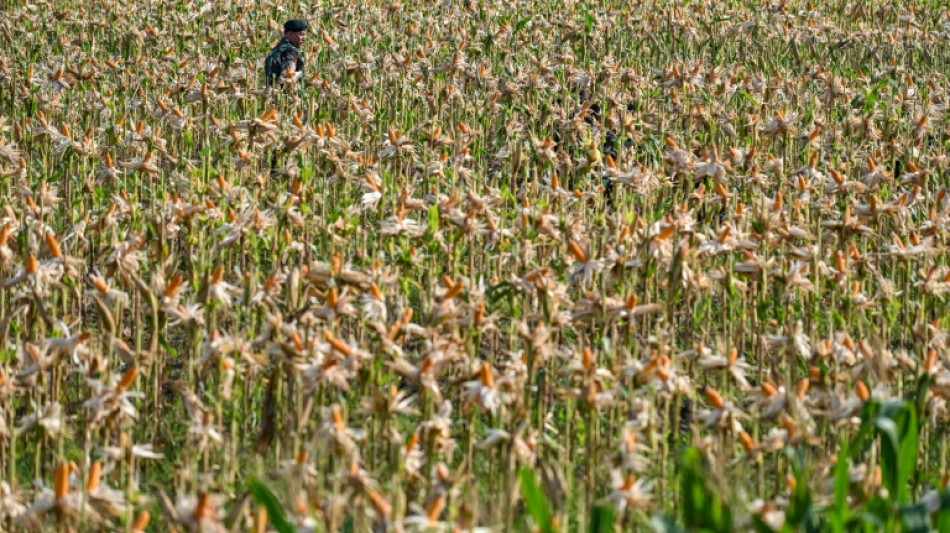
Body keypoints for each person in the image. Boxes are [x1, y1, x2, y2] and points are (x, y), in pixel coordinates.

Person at [266, 19, 308, 87]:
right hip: (286, 92)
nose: (304, 38)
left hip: (271, 92)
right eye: (301, 34)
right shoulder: (291, 50)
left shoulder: (274, 50)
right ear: (290, 34)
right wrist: (301, 74)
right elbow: (289, 75)